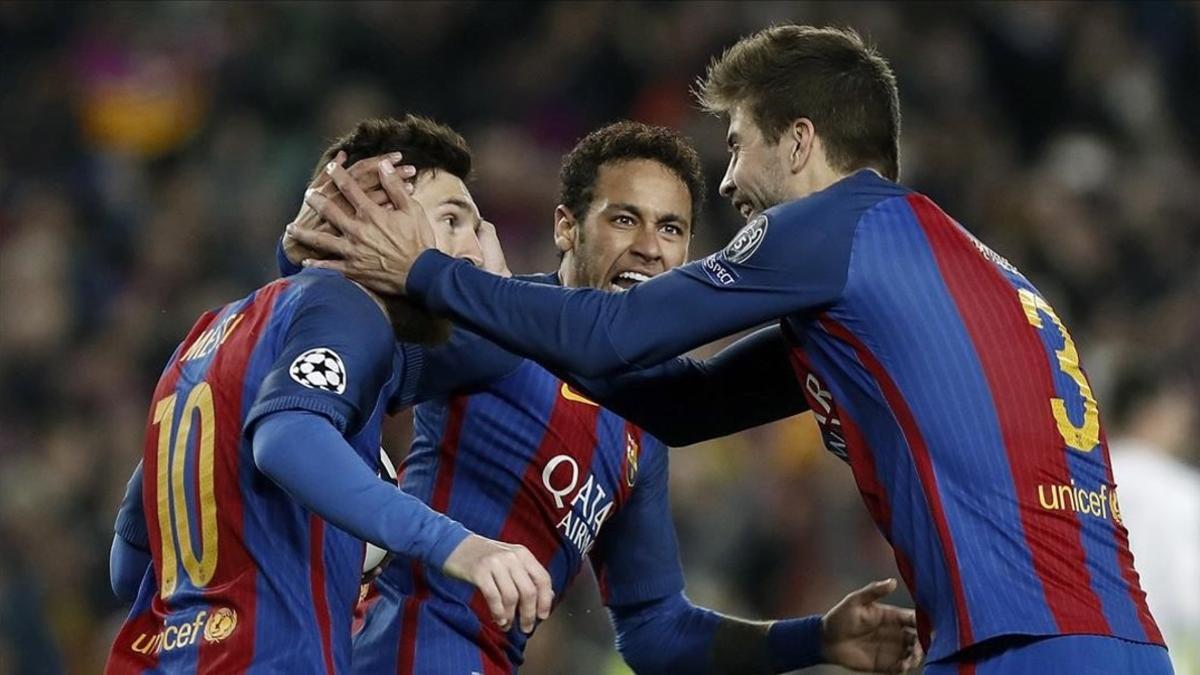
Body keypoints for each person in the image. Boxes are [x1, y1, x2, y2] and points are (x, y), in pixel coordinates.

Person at [293, 26, 1172, 674]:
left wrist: (425, 268)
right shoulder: (939, 270)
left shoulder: (836, 223)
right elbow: (688, 402)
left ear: (798, 142)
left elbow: (612, 336)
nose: (727, 181)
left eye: (738, 145)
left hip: (1015, 644)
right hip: (1121, 640)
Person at [281, 121, 921, 674]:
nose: (649, 245)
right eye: (624, 219)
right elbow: (335, 364)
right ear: (566, 228)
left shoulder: (647, 425)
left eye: (671, 228)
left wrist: (814, 639)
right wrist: (308, 261)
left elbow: (655, 630)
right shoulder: (490, 328)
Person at [104, 116, 552, 674]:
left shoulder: (205, 340)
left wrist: (499, 299)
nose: (473, 248)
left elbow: (130, 566)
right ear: (372, 219)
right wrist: (459, 545)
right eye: (453, 219)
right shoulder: (347, 306)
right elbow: (288, 438)